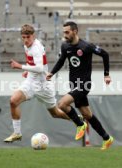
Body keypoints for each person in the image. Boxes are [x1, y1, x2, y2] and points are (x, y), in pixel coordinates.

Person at [4, 24, 86, 142]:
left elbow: (40, 68)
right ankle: (17, 133)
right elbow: (32, 63)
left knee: (55, 113)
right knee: (13, 101)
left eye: (28, 37)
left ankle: (76, 119)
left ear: (33, 36)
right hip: (31, 82)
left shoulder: (36, 47)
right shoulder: (27, 45)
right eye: (23, 37)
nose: (25, 40)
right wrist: (27, 72)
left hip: (43, 85)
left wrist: (20, 66)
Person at [46, 21, 114, 150]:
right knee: (88, 114)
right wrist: (52, 73)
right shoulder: (65, 46)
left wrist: (106, 74)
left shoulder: (86, 46)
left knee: (62, 104)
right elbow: (61, 61)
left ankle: (80, 124)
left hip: (84, 85)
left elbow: (105, 54)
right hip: (74, 85)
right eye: (63, 32)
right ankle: (106, 138)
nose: (65, 35)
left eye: (67, 32)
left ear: (75, 31)